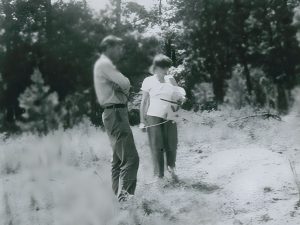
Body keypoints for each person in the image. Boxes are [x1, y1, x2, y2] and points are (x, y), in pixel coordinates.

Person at [93, 35, 139, 201]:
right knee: (131, 159)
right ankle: (125, 202)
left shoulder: (104, 64)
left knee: (118, 160)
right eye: (118, 48)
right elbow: (125, 82)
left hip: (113, 113)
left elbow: (122, 85)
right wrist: (122, 85)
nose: (120, 51)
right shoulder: (105, 64)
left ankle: (114, 200)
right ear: (109, 48)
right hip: (116, 113)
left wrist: (121, 87)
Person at [139, 54, 186, 180]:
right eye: (164, 68)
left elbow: (178, 95)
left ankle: (172, 168)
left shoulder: (171, 78)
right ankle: (159, 176)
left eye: (167, 68)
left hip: (171, 113)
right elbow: (144, 102)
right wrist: (142, 121)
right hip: (154, 115)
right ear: (156, 68)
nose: (166, 71)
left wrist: (182, 99)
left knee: (172, 143)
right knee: (157, 145)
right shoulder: (148, 81)